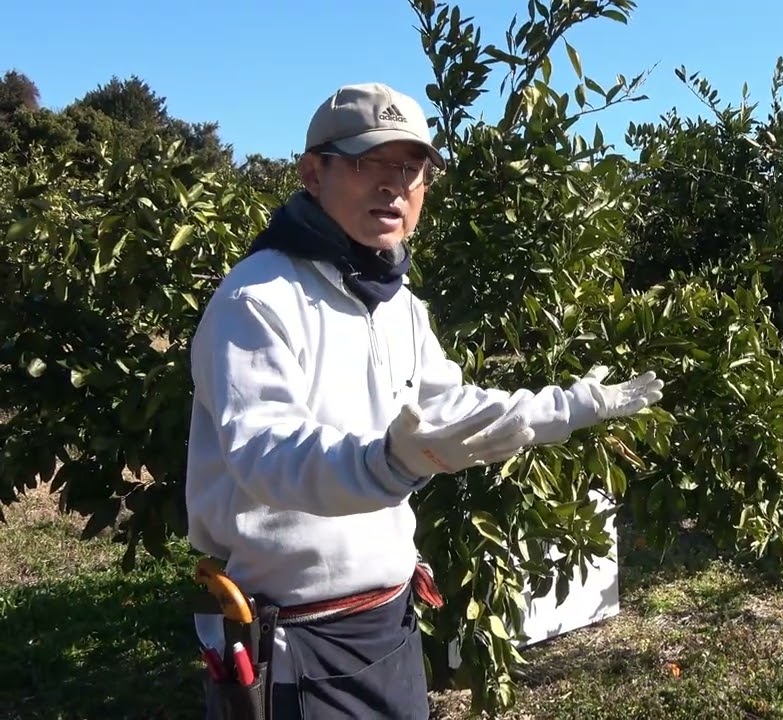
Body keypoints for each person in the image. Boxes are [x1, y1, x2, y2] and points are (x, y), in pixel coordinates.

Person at [184, 81, 664, 719]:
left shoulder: (399, 305)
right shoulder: (260, 300)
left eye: (411, 168)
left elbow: (453, 404)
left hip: (389, 621)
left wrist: (570, 407)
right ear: (312, 173)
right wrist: (387, 462)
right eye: (367, 163)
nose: (394, 185)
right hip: (294, 639)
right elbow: (266, 453)